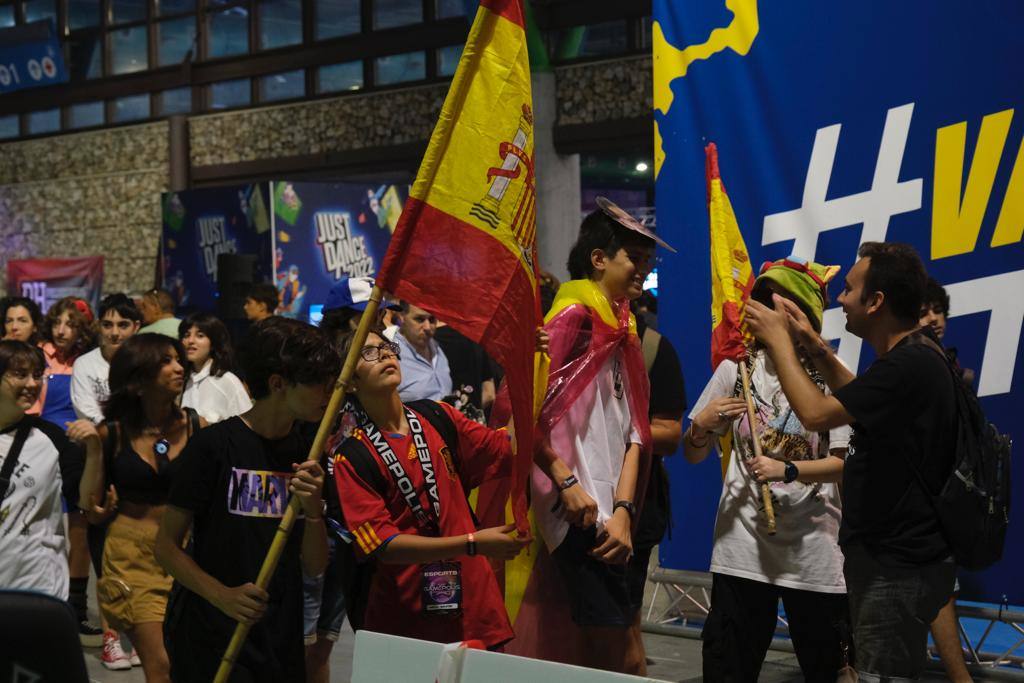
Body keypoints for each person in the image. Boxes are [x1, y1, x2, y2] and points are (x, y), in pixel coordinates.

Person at [744, 242, 957, 681]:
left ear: (876, 302)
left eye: (848, 289)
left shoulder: (908, 364)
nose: (839, 300)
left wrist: (781, 342)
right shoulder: (911, 356)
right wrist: (811, 342)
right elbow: (859, 397)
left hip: (895, 566)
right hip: (897, 560)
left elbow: (817, 413)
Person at [685, 257, 853, 682]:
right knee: (727, 671)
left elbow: (843, 465)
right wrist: (701, 429)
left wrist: (788, 470)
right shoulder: (735, 370)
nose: (759, 313)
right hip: (742, 552)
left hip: (813, 552)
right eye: (759, 303)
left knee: (829, 670)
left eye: (775, 305)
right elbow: (693, 455)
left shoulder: (830, 374)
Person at [529, 199, 672, 674]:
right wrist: (566, 483)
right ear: (599, 258)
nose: (643, 271)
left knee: (623, 649)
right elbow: (517, 414)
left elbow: (637, 432)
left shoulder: (624, 327)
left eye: (647, 262)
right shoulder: (570, 320)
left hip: (615, 517)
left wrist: (626, 512)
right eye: (635, 258)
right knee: (605, 655)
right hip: (578, 512)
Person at [155, 317, 336, 682]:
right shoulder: (214, 447)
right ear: (278, 383)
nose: (330, 394)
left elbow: (315, 567)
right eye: (319, 384)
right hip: (212, 634)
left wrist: (315, 510)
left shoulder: (311, 451)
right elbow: (166, 547)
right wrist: (223, 595)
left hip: (279, 637)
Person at [331, 327, 529, 648]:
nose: (383, 354)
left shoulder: (438, 416)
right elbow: (384, 546)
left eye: (387, 348)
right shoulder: (352, 457)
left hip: (475, 608)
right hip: (406, 621)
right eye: (368, 353)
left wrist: (530, 369)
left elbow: (510, 447)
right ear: (350, 381)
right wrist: (470, 543)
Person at [73, 333, 203, 682]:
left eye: (178, 359)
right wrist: (95, 452)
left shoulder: (195, 425)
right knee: (161, 664)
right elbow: (90, 504)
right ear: (138, 380)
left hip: (187, 554)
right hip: (132, 557)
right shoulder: (111, 433)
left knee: (188, 660)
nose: (179, 367)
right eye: (165, 361)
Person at [919, 277, 973, 683]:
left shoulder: (954, 371)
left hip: (944, 501)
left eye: (938, 311)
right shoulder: (907, 366)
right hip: (911, 505)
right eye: (924, 311)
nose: (934, 318)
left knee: (940, 587)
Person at [0, 340, 85, 600]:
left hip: (38, 588)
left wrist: (94, 450)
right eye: (19, 374)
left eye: (38, 375)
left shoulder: (52, 439)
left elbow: (85, 500)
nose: (32, 384)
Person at [629, 301, 685, 656]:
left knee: (622, 623)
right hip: (566, 506)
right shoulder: (564, 337)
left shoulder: (652, 347)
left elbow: (671, 434)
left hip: (636, 503)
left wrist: (614, 430)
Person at [72, 294, 143, 424]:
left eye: (123, 325)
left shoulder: (146, 361)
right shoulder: (84, 364)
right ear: (99, 326)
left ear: (136, 327)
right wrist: (114, 430)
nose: (115, 333)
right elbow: (85, 410)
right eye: (107, 325)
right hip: (98, 438)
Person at [179, 312, 252, 424]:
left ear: (213, 343)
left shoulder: (227, 381)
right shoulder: (181, 379)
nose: (190, 341)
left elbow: (247, 425)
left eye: (200, 336)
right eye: (186, 335)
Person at [394, 302, 452, 402]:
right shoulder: (392, 353)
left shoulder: (437, 348)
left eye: (432, 319)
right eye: (419, 319)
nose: (427, 327)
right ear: (401, 317)